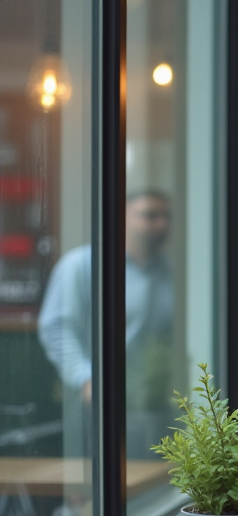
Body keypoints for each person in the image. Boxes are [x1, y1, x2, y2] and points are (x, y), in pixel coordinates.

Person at [38, 190, 175, 457]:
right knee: (101, 490)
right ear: (121, 218)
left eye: (166, 217)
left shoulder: (171, 272)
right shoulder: (83, 265)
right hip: (97, 406)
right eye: (150, 215)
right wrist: (87, 378)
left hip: (157, 408)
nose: (162, 224)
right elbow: (57, 327)